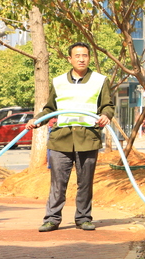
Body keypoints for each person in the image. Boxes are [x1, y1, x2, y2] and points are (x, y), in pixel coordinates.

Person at [26, 42, 114, 233]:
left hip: (87, 137)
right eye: (77, 56)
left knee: (85, 181)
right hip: (61, 138)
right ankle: (52, 219)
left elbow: (107, 105)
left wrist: (106, 115)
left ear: (89, 58)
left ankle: (83, 218)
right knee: (58, 182)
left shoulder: (100, 80)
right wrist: (37, 120)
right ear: (70, 59)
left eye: (85, 55)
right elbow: (50, 109)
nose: (81, 59)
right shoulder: (58, 81)